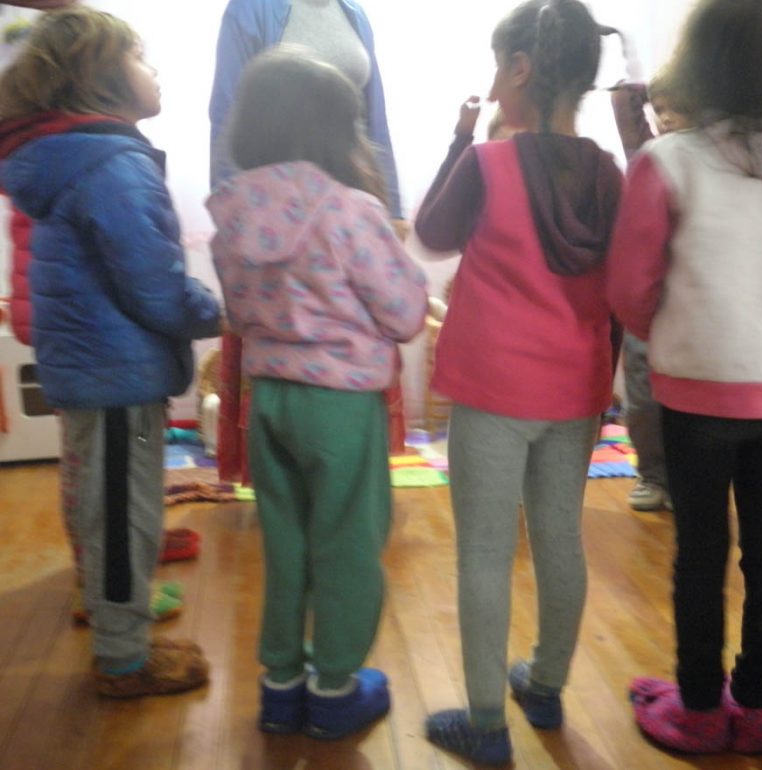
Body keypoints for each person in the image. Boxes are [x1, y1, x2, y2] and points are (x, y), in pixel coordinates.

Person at [607, 0, 762, 755]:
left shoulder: (669, 160)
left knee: (700, 549)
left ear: (701, 62)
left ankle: (696, 707)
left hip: (697, 383)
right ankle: (756, 708)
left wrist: (676, 332)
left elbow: (629, 289)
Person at [413, 0, 622, 763]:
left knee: (484, 550)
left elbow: (431, 235)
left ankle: (484, 723)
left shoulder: (488, 163)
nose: (495, 82)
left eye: (500, 66)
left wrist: (460, 138)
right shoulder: (609, 174)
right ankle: (547, 684)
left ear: (522, 68)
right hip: (575, 391)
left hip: (494, 388)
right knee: (560, 536)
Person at [0, 7, 221, 697]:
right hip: (116, 375)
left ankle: (117, 628)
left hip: (94, 370)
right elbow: (154, 285)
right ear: (99, 76)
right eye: (140, 57)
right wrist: (218, 313)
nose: (154, 70)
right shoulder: (112, 164)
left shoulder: (75, 158)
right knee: (125, 517)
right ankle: (124, 661)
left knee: (102, 504)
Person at [207, 47, 427, 737]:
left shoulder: (231, 212)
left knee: (286, 542)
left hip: (269, 401)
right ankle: (335, 687)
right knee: (348, 541)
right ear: (338, 130)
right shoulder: (349, 210)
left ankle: (281, 683)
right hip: (340, 404)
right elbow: (405, 313)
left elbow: (238, 314)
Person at [208, 0, 404, 486]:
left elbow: (376, 118)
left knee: (292, 500)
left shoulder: (354, 14)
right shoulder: (250, 10)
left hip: (349, 199)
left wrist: (393, 206)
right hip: (278, 210)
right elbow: (228, 113)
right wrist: (238, 211)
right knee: (348, 504)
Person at [609, 68, 689, 514]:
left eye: (676, 109)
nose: (667, 118)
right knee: (642, 399)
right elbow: (625, 107)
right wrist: (640, 90)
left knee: (684, 402)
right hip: (647, 305)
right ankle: (652, 472)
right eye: (660, 110)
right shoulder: (649, 154)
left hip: (687, 305)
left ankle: (680, 477)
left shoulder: (704, 161)